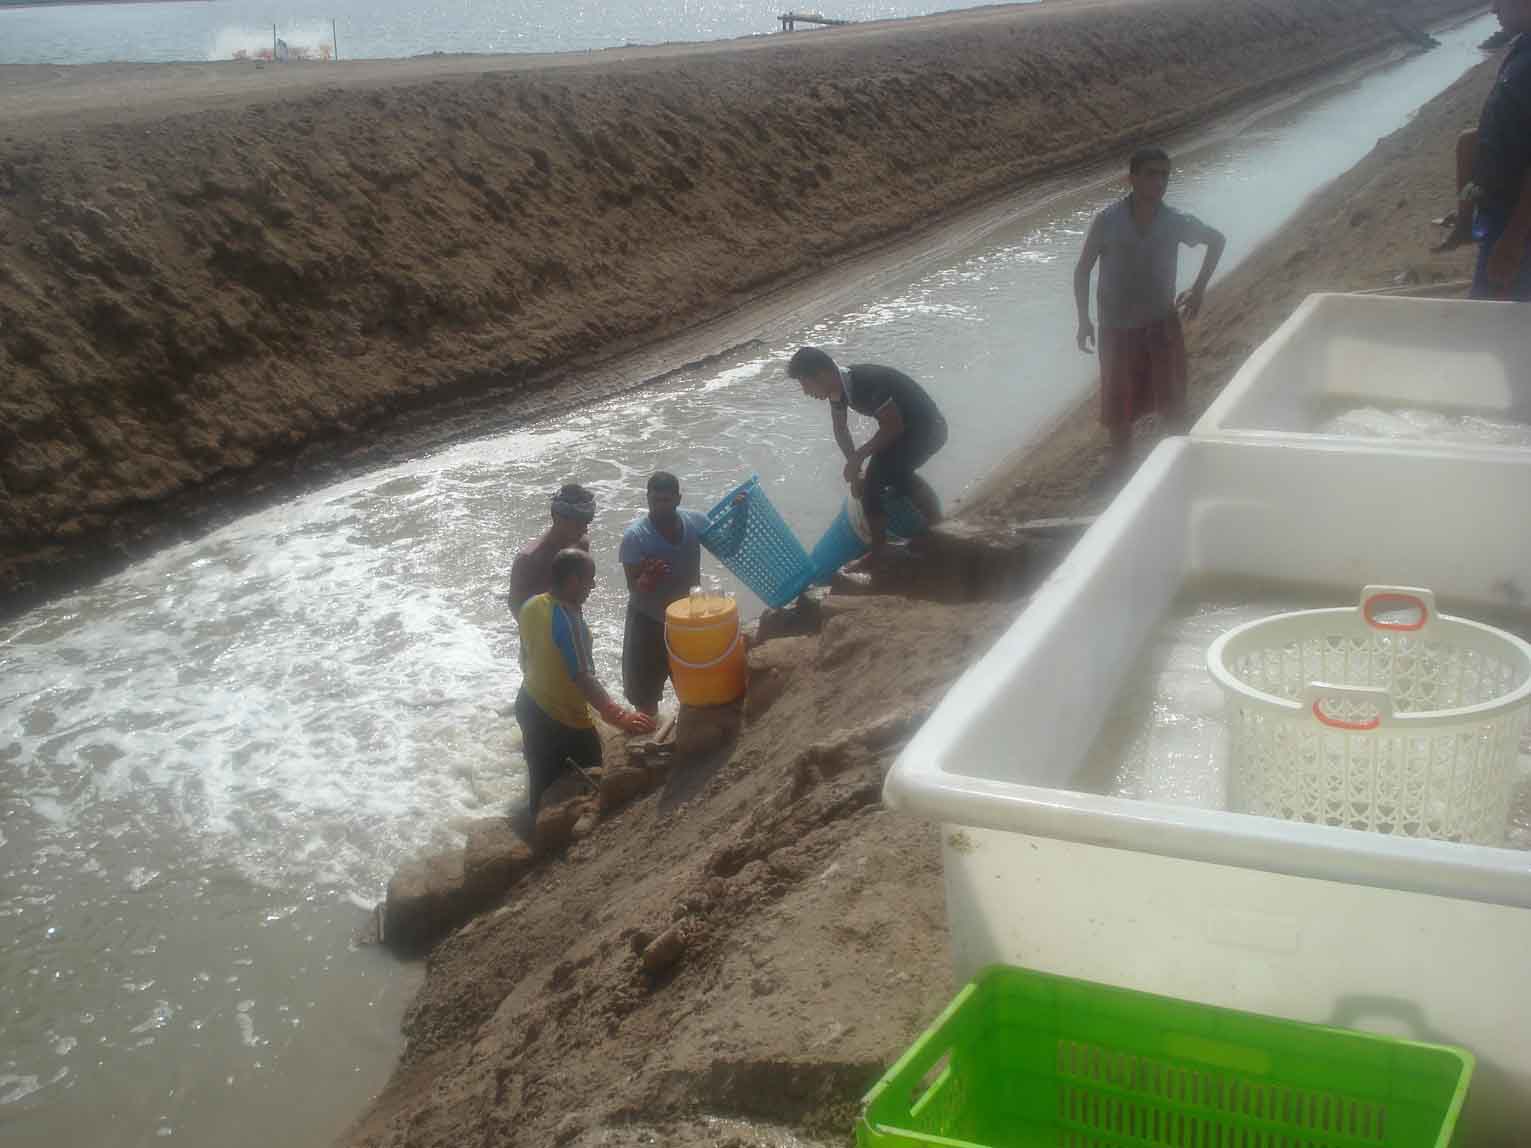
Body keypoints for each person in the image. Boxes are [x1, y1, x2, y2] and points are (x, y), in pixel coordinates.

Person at [1074, 146, 1226, 472]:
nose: (1159, 182)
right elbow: (1082, 269)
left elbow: (1217, 240)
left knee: (1172, 405)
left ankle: (1177, 467)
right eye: (1151, 174)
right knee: (1118, 410)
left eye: (1165, 175)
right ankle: (1122, 470)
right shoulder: (1107, 221)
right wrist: (1083, 320)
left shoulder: (1175, 222)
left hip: (1161, 324)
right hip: (1115, 328)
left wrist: (1199, 288)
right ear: (1132, 179)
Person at [516, 548, 654, 814]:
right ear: (572, 581)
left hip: (528, 702)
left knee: (541, 781)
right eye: (589, 579)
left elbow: (526, 655)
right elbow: (582, 677)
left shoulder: (531, 605)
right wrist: (620, 716)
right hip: (560, 719)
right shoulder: (568, 621)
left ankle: (536, 833)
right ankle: (567, 841)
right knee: (593, 775)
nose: (592, 586)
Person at [786, 347, 947, 567]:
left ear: (822, 375)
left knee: (875, 480)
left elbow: (893, 425)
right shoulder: (838, 390)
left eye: (805, 383)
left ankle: (881, 549)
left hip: (929, 429)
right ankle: (935, 523)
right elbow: (840, 429)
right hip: (908, 431)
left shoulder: (864, 382)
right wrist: (855, 470)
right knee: (890, 476)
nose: (805, 391)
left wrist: (858, 458)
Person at [1452, 0, 1531, 300]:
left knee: (1499, 326)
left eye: (1501, 1)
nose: (1493, 10)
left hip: (1519, 224)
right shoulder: (1523, 47)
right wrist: (1466, 214)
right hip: (1501, 214)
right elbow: (1487, 137)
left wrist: (1513, 239)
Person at [619, 472, 713, 716]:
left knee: (696, 688)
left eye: (666, 500)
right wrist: (648, 578)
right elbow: (633, 586)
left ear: (678, 499)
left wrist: (739, 514)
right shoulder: (635, 537)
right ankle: (650, 729)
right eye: (655, 500)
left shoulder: (696, 522)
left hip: (687, 620)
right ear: (647, 499)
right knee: (644, 696)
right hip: (648, 621)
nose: (660, 506)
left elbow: (729, 545)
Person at [508, 484, 595, 618]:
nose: (584, 529)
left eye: (587, 522)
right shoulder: (528, 560)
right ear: (556, 517)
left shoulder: (581, 544)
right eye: (578, 523)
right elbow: (517, 610)